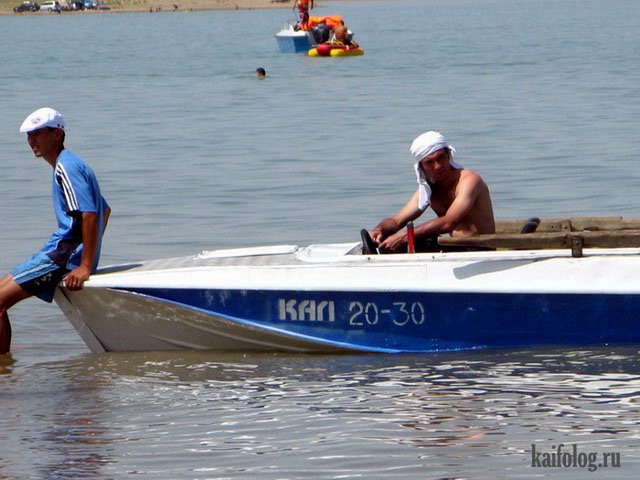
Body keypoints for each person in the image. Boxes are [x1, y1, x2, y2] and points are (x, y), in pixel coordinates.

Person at [0, 107, 111, 354]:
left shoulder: (66, 167)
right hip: (58, 250)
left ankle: (4, 374)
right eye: (29, 135)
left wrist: (83, 265)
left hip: (61, 255)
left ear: (58, 134)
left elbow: (91, 215)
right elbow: (106, 211)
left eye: (38, 134)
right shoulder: (71, 162)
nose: (32, 141)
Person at [368, 131, 495, 253]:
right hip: (455, 248)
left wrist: (406, 236)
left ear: (449, 155)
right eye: (429, 162)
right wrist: (379, 229)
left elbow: (449, 222)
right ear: (421, 166)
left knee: (410, 240)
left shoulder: (470, 181)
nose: (437, 166)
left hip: (480, 249)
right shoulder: (428, 189)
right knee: (389, 242)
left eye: (441, 158)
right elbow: (396, 221)